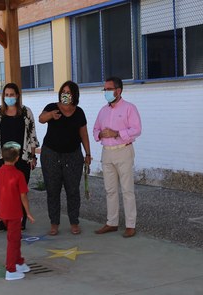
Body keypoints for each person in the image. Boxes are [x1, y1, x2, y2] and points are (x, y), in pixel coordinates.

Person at [38, 81, 92, 236]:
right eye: (63, 92)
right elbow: (41, 119)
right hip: (51, 154)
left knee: (73, 190)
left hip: (73, 156)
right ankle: (54, 224)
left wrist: (88, 154)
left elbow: (84, 134)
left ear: (74, 95)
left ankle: (74, 222)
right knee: (53, 190)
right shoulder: (52, 107)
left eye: (68, 92)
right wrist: (51, 116)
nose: (65, 95)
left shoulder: (79, 112)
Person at [93, 76, 142, 238]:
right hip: (107, 152)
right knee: (110, 190)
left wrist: (116, 134)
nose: (105, 92)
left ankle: (130, 225)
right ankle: (112, 222)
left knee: (127, 190)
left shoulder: (129, 108)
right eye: (105, 89)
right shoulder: (103, 110)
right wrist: (100, 134)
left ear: (118, 91)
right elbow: (95, 130)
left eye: (108, 89)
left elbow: (136, 129)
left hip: (124, 151)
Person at [0, 83, 39, 231]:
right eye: (6, 95)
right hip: (1, 158)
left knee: (20, 191)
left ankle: (20, 221)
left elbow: (32, 137)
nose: (9, 97)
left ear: (17, 96)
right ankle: (1, 221)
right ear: (3, 97)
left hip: (22, 158)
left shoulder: (26, 113)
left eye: (12, 94)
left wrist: (33, 157)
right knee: (2, 190)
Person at [0, 141, 35, 281]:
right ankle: (10, 269)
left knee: (15, 238)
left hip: (4, 212)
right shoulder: (19, 175)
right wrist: (27, 212)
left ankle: (19, 261)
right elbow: (23, 196)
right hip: (15, 213)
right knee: (13, 241)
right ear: (17, 158)